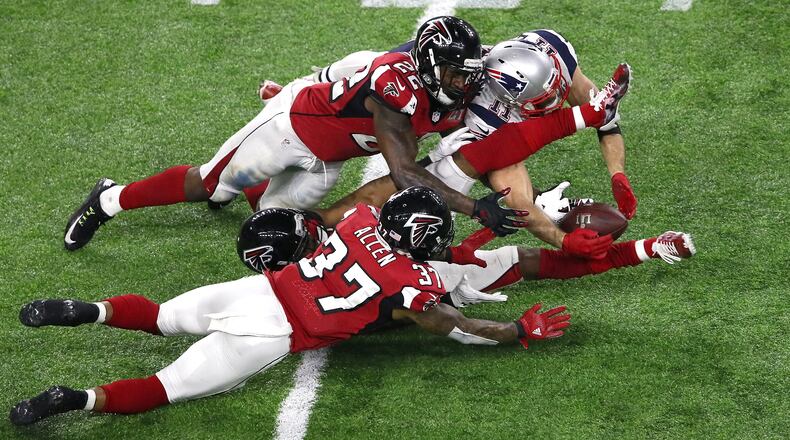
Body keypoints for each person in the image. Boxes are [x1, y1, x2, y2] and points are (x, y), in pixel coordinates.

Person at [12, 187, 571, 426]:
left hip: (255, 290)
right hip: (274, 335)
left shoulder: (357, 220)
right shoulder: (413, 287)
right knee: (165, 387)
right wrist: (514, 329)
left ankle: (84, 309)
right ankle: (71, 400)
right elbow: (457, 324)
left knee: (160, 316)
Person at [63, 16, 528, 252]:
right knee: (208, 182)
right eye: (454, 73)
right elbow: (404, 172)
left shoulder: (453, 80)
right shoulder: (396, 85)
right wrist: (473, 208)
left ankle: (240, 189)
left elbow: (356, 59)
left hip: (329, 158)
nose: (464, 83)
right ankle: (109, 199)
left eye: (468, 73)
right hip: (291, 130)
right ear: (429, 66)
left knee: (274, 227)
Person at [258, 29, 638, 220]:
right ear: (507, 97)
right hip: (445, 113)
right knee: (373, 66)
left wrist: (618, 174)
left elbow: (605, 115)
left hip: (467, 106)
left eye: (557, 92)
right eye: (541, 102)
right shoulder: (482, 110)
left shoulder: (551, 53)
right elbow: (503, 169)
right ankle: (302, 90)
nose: (555, 103)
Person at [235, 207, 697, 308]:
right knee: (524, 260)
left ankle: (543, 210)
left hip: (411, 268)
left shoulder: (323, 253)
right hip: (417, 290)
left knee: (519, 256)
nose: (314, 232)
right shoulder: (304, 291)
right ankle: (648, 249)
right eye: (302, 243)